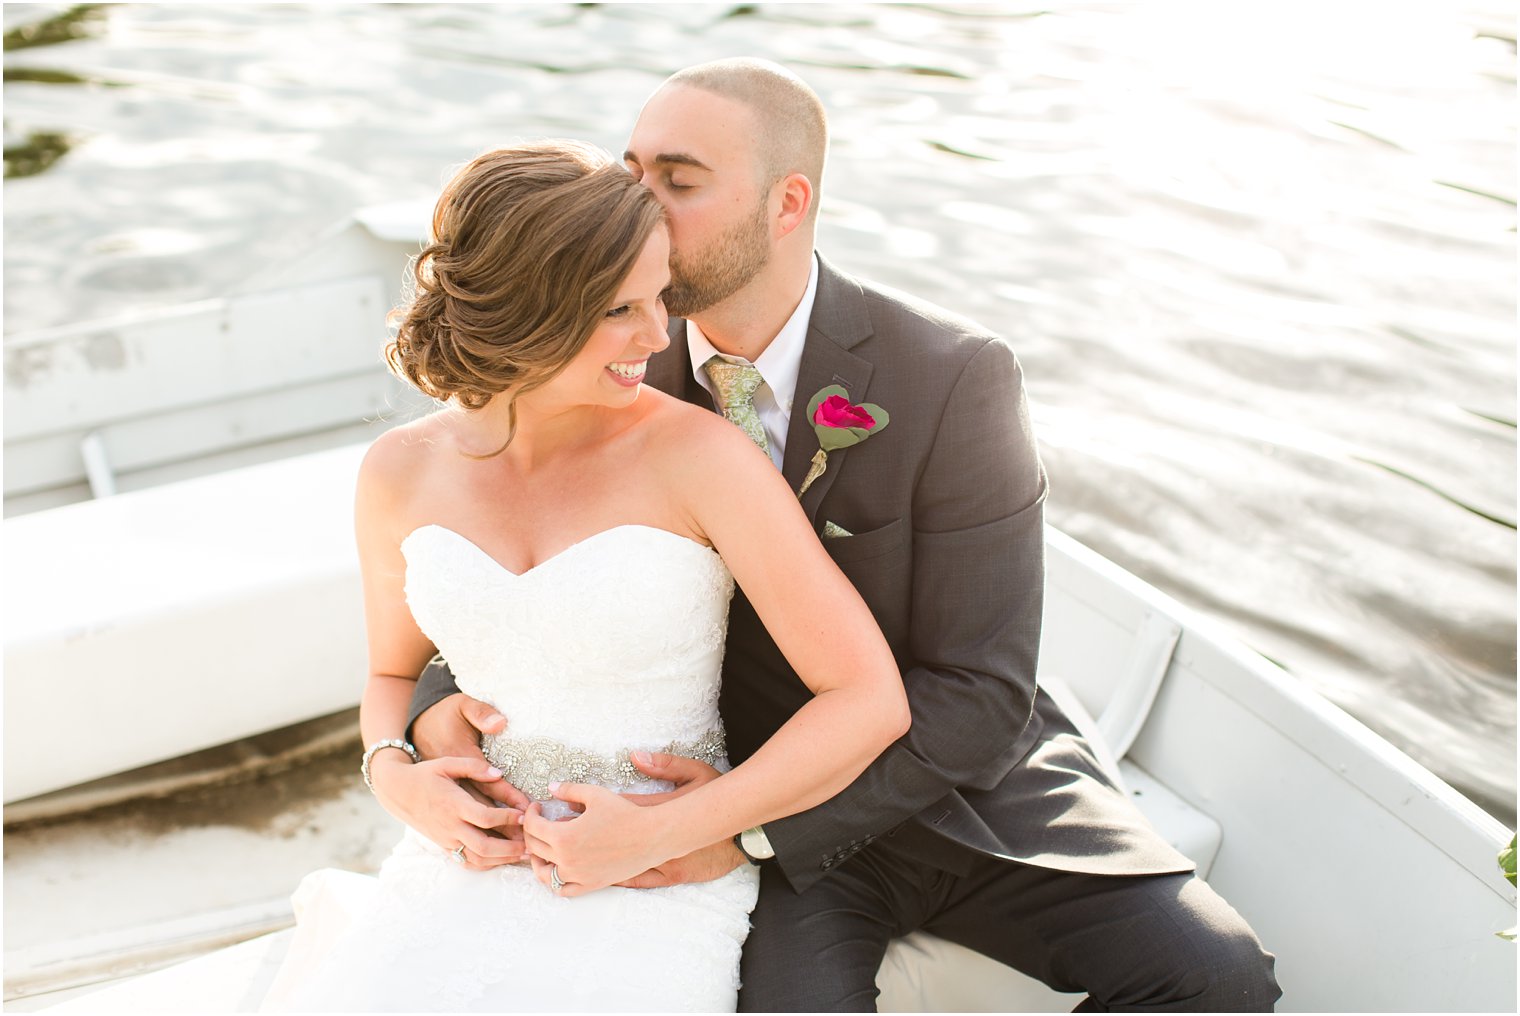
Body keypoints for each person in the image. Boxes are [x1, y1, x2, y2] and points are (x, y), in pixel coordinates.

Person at [404, 59, 1283, 1012]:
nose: (640, 210)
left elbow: (983, 689)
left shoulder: (953, 377)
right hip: (731, 785)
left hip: (956, 792)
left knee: (1218, 979)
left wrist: (728, 832)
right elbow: (516, 559)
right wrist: (430, 712)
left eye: (679, 181)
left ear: (788, 204)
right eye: (631, 172)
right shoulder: (604, 363)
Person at [259, 139, 910, 1012]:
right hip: (463, 860)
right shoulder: (398, 472)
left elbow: (868, 698)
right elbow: (390, 672)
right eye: (620, 311)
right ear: (527, 313)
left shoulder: (698, 456)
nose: (659, 334)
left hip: (652, 881)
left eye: (658, 297)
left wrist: (676, 831)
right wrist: (396, 776)